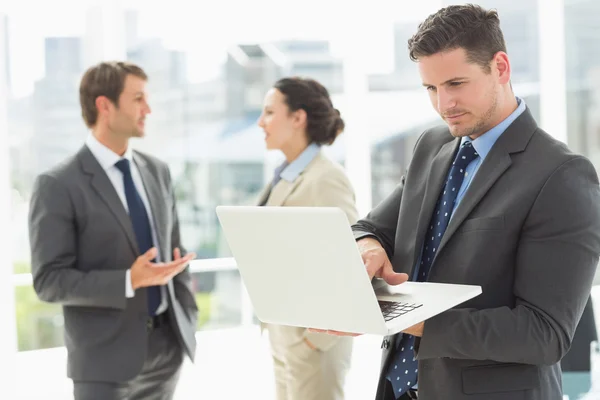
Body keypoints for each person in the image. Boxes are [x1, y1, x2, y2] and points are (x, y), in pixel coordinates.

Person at [315, 4, 600, 400]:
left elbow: (544, 334)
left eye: (455, 83)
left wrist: (410, 319)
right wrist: (370, 246)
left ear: (500, 67)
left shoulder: (562, 176)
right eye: (431, 88)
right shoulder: (433, 146)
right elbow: (370, 226)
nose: (443, 103)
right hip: (400, 388)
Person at [28, 61, 198, 400]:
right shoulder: (58, 184)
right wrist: (128, 280)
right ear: (104, 105)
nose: (147, 109)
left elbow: (174, 249)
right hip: (104, 366)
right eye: (137, 99)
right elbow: (49, 281)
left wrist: (185, 315)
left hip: (167, 353)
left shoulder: (158, 171)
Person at [256, 77, 358, 400]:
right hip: (285, 334)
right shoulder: (286, 175)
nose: (261, 122)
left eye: (270, 112)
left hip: (313, 341)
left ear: (298, 118)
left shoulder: (326, 178)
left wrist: (315, 340)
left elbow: (350, 263)